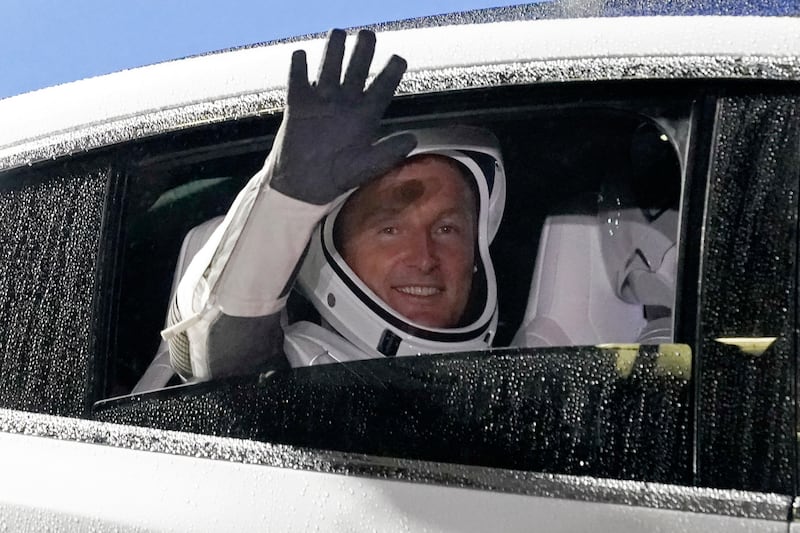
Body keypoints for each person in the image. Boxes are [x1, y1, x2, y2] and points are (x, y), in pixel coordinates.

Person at [157, 29, 507, 382]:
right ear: (331, 252)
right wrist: (288, 202)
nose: (425, 258)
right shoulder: (296, 376)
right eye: (390, 229)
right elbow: (214, 356)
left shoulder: (524, 384)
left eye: (447, 229)